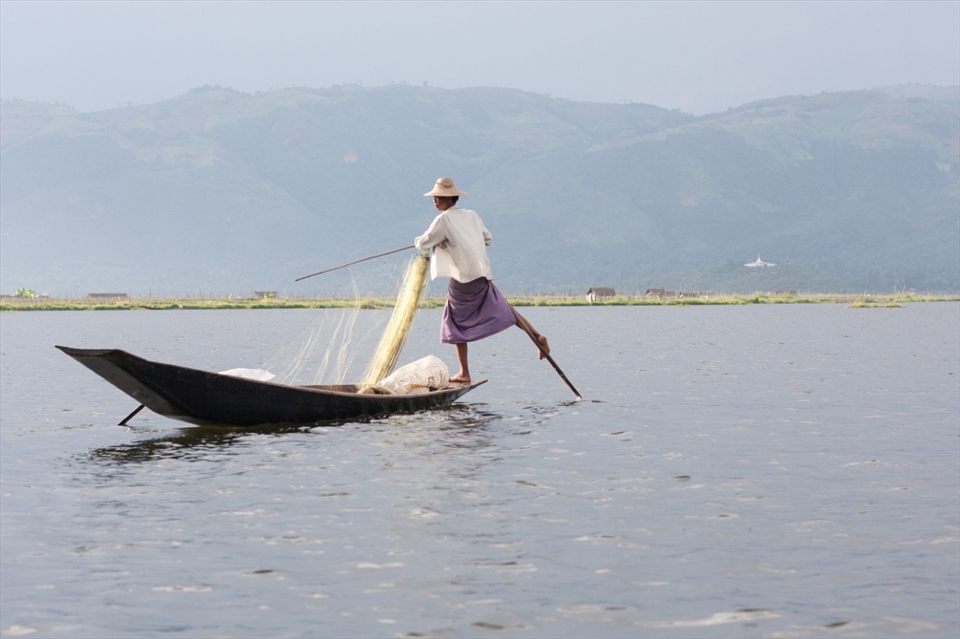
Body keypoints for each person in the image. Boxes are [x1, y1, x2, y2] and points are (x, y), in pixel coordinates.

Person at [414, 177, 549, 383]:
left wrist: (431, 241)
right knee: (507, 310)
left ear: (449, 198)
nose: (434, 201)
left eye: (438, 197)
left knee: (453, 321)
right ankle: (537, 337)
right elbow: (488, 239)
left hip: (464, 277)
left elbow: (424, 243)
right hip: (482, 274)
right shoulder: (472, 215)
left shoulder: (443, 220)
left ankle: (464, 373)